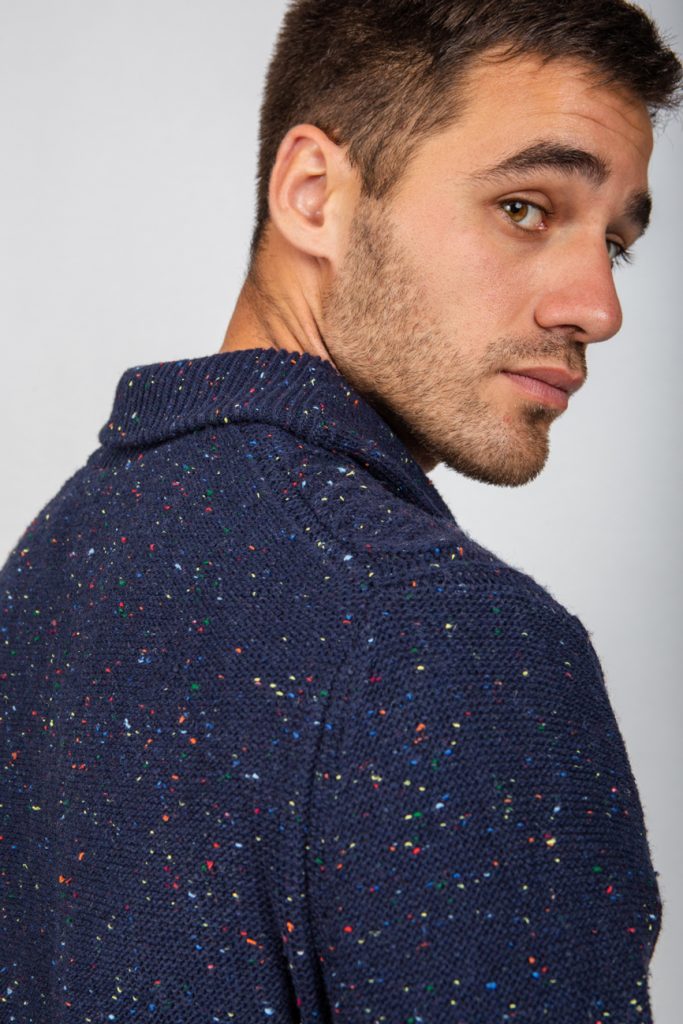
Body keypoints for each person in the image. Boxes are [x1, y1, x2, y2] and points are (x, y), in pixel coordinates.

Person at [1, 0, 680, 1020]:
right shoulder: (447, 635)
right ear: (312, 194)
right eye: (524, 208)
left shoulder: (53, 557)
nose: (597, 307)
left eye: (614, 243)